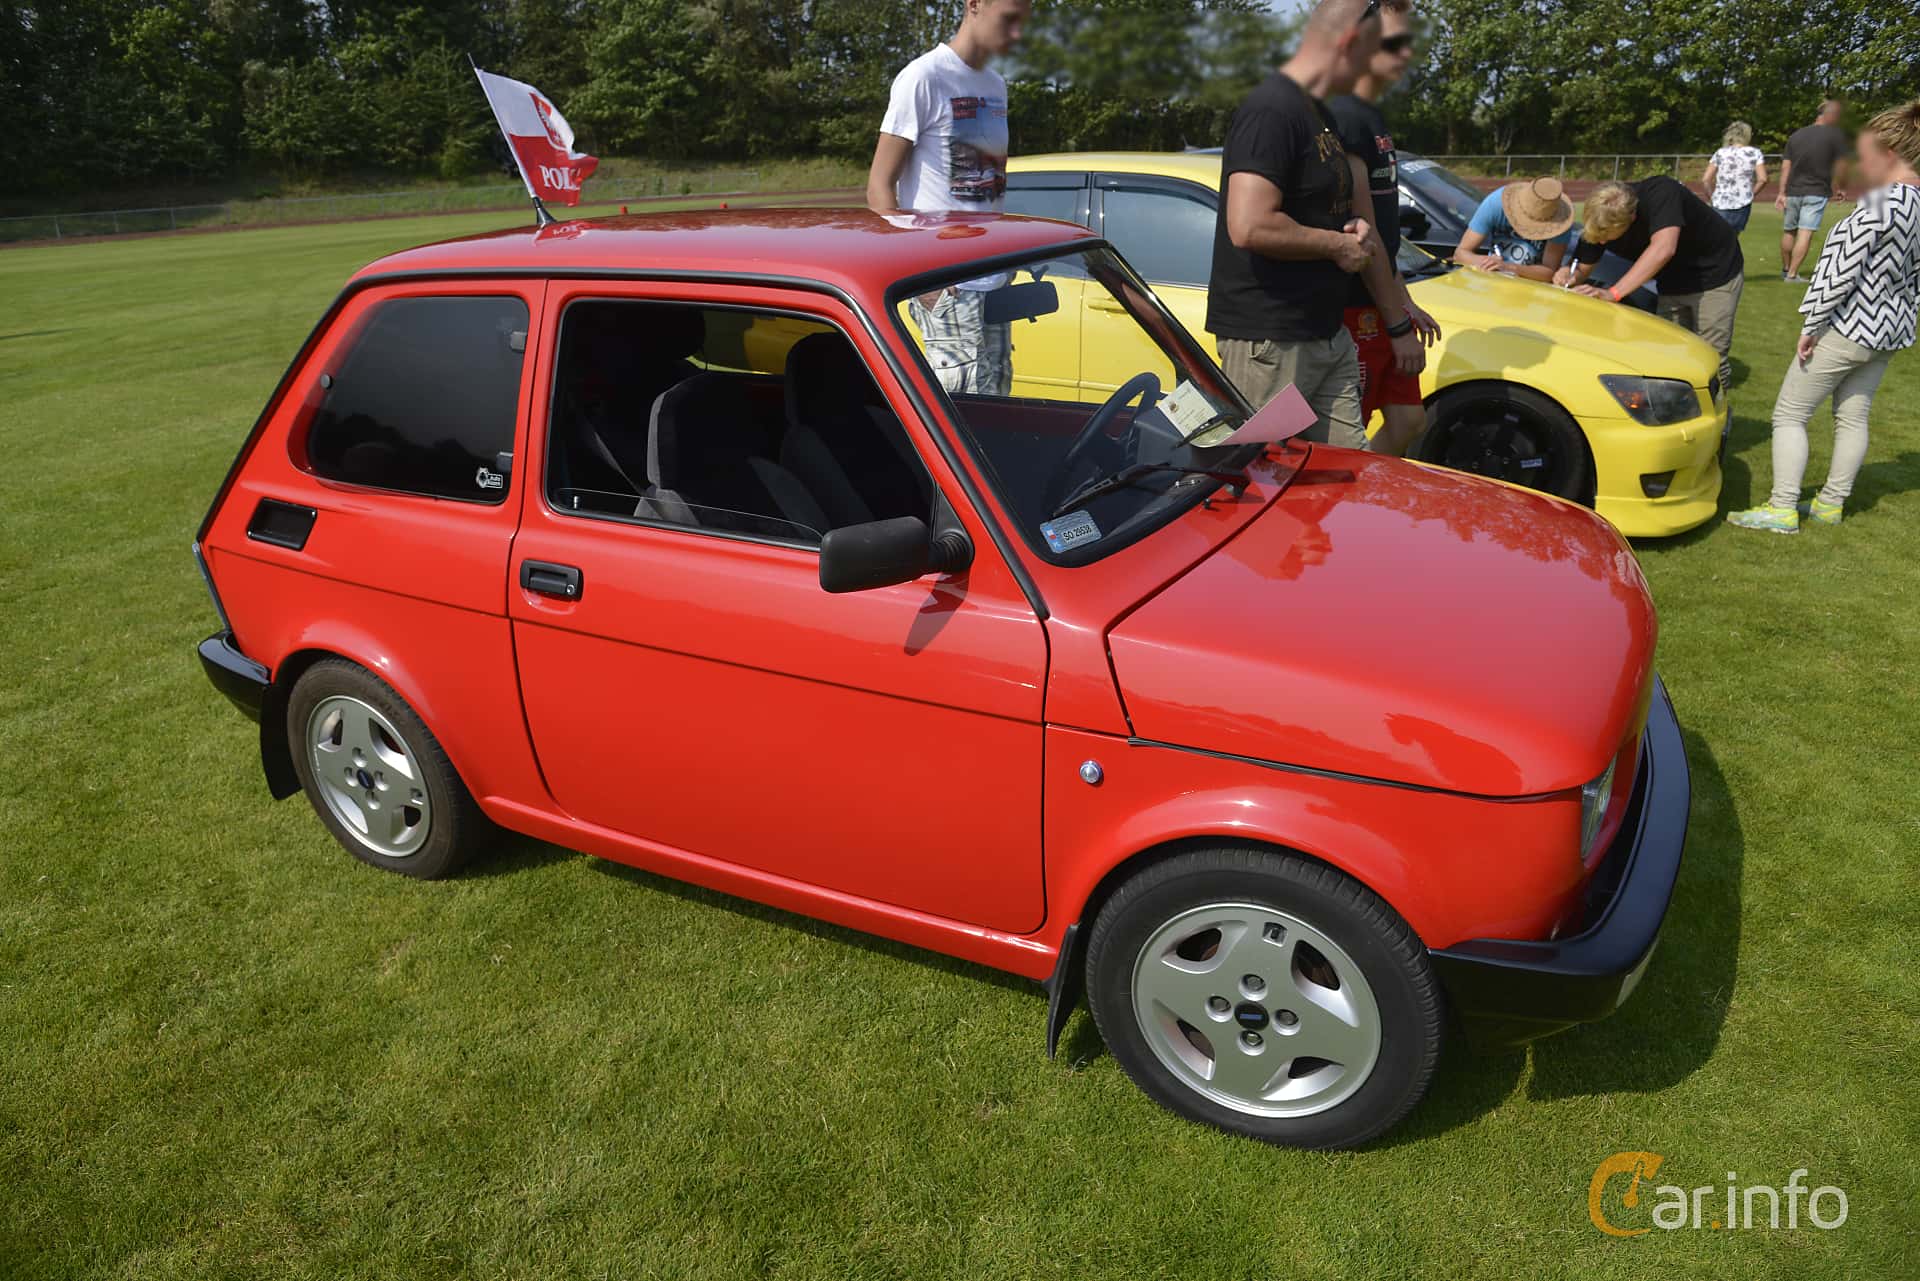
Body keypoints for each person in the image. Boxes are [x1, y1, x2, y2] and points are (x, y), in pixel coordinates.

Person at [1208, 0, 1411, 451]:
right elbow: (1250, 225)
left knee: (1345, 477)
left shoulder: (1322, 113)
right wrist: (1336, 247)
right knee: (1264, 482)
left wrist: (1354, 225)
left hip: (1325, 334)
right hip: (1271, 342)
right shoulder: (1272, 109)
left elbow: (1330, 209)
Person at [1728, 101, 1920, 533]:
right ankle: (1831, 505)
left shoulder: (1879, 206)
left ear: (1888, 152)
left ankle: (1782, 508)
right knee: (1853, 416)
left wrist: (1811, 326)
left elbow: (1838, 274)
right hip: (1888, 332)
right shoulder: (1916, 205)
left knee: (1790, 414)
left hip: (1849, 328)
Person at [866, 0, 1031, 394]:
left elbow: (988, 188)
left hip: (993, 282)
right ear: (974, 4)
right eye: (1009, 20)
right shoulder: (923, 78)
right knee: (958, 426)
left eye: (1023, 23)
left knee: (995, 414)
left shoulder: (995, 85)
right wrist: (923, 282)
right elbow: (878, 186)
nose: (1017, 35)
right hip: (945, 286)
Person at [1327, 2, 1440, 457]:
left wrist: (1404, 301)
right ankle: (1346, 509)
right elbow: (1363, 233)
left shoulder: (1370, 116)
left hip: (1384, 300)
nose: (1405, 52)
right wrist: (1396, 325)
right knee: (1348, 437)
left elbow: (1386, 236)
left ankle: (1363, 494)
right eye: (1392, 42)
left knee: (1410, 420)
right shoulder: (1344, 116)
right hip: (1355, 312)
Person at [1556, 177, 1745, 391]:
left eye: (1606, 236)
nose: (1600, 241)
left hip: (1715, 272)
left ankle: (1719, 413)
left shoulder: (1662, 193)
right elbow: (1583, 264)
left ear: (1631, 219)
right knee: (1666, 352)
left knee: (1710, 356)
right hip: (1671, 279)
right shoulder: (1601, 220)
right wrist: (1567, 274)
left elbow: (1663, 249)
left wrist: (1613, 293)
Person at [1776, 99, 1852, 281]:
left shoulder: (1796, 136)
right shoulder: (1836, 136)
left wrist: (1781, 192)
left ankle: (1786, 269)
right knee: (1805, 232)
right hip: (1816, 191)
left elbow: (1786, 166)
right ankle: (1793, 275)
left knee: (1789, 231)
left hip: (1793, 191)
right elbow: (1842, 165)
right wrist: (1841, 187)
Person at [1453, 177, 1577, 281]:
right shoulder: (1495, 204)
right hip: (1490, 280)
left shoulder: (1561, 222)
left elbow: (1550, 271)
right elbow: (1460, 253)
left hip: (1531, 286)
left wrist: (1511, 268)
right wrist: (1487, 262)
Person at [1704, 121, 1768, 232]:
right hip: (1742, 202)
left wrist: (1711, 197)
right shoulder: (1754, 153)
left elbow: (1706, 179)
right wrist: (1751, 194)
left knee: (1717, 238)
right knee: (1733, 239)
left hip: (1720, 202)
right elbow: (1763, 179)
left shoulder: (1720, 153)